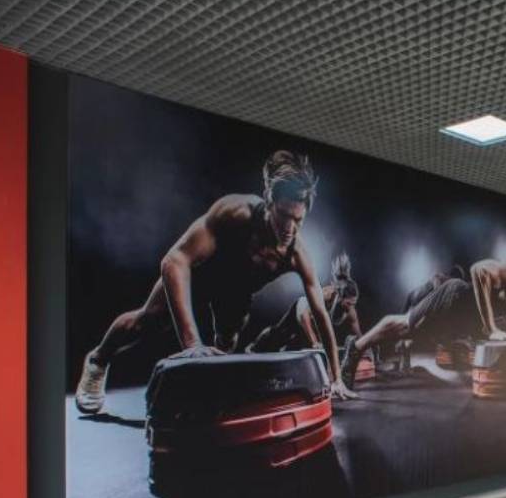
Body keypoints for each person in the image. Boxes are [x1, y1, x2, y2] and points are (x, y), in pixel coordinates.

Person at [74, 150, 354, 413]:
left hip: (236, 296)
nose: (290, 228)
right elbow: (174, 261)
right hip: (200, 277)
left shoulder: (297, 255)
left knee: (226, 345)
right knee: (145, 321)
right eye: (283, 216)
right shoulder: (235, 212)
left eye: (298, 219)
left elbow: (320, 314)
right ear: (269, 202)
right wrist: (192, 345)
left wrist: (336, 378)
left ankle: (207, 391)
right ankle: (98, 360)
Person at [338, 259, 506, 386]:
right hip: (454, 297)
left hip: (458, 321)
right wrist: (491, 328)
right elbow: (478, 270)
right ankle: (356, 347)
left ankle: (356, 346)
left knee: (408, 334)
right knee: (405, 325)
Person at [247, 252, 362, 352]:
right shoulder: (326, 295)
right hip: (302, 309)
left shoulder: (350, 309)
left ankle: (283, 348)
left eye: (353, 303)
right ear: (340, 297)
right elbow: (304, 316)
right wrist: (315, 343)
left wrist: (365, 349)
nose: (351, 307)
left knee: (291, 339)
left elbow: (358, 333)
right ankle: (254, 346)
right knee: (279, 332)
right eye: (348, 303)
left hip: (314, 319)